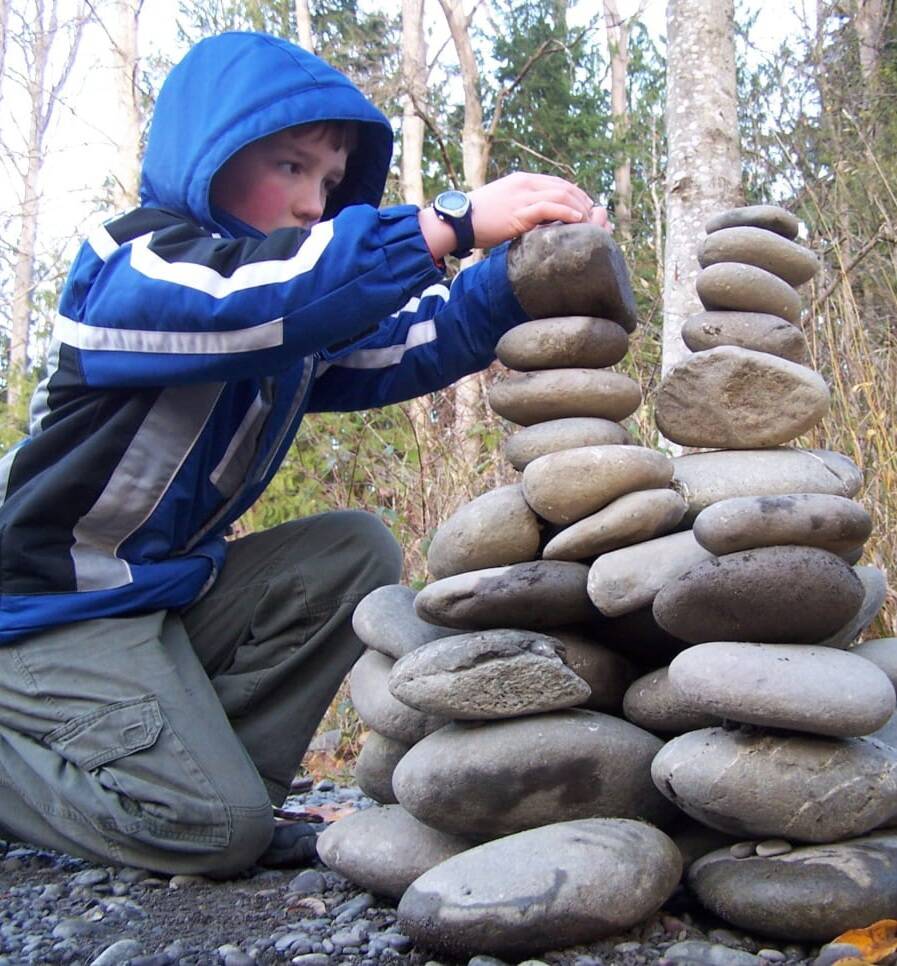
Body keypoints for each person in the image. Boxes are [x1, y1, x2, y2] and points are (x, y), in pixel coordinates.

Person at [0, 31, 610, 876]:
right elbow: (249, 301)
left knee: (350, 546)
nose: (310, 202)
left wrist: (513, 280)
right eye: (289, 167)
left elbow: (405, 344)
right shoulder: (129, 267)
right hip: (43, 615)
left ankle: (230, 788)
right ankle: (178, 808)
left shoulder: (288, 324)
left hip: (166, 600)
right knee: (209, 833)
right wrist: (450, 223)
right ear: (206, 159)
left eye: (327, 182)